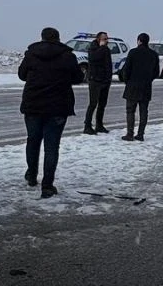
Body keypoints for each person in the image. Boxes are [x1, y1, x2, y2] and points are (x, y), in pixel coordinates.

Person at [17, 27, 83, 198]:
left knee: (32, 141)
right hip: (58, 106)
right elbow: (78, 78)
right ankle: (47, 185)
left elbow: (22, 75)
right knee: (51, 147)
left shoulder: (31, 54)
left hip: (33, 104)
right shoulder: (68, 56)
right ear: (58, 38)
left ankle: (31, 175)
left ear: (42, 38)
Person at [119, 32, 160, 141]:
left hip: (132, 85)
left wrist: (127, 80)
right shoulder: (153, 54)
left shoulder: (133, 52)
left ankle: (130, 133)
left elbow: (126, 69)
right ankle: (141, 134)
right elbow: (156, 72)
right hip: (146, 86)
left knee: (130, 110)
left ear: (139, 41)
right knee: (143, 111)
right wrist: (148, 79)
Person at [82, 31, 113, 135]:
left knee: (102, 104)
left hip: (105, 80)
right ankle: (87, 125)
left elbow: (108, 64)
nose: (106, 40)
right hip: (95, 79)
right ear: (98, 39)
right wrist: (102, 47)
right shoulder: (93, 48)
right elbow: (94, 59)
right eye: (104, 38)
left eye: (107, 38)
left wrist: (109, 77)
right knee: (93, 103)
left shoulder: (106, 49)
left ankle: (99, 125)